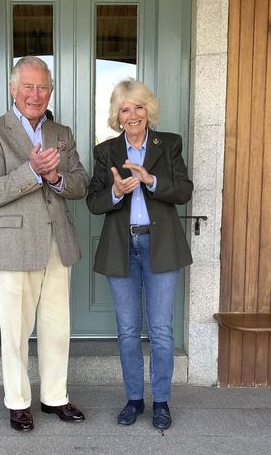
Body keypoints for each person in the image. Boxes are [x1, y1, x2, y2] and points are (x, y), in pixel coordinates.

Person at [0, 56, 89, 432]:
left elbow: (80, 184)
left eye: (42, 87)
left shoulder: (62, 133)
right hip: (13, 245)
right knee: (15, 329)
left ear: (51, 91)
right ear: (13, 88)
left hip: (58, 241)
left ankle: (55, 397)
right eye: (28, 86)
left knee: (57, 326)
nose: (35, 94)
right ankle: (18, 402)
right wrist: (32, 171)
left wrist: (56, 175)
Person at [86, 79, 193, 430]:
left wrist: (151, 181)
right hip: (123, 248)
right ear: (118, 115)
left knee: (161, 331)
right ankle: (134, 399)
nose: (132, 115)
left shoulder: (170, 144)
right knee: (128, 331)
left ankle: (161, 401)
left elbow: (184, 191)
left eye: (138, 107)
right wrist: (115, 192)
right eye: (125, 109)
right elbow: (93, 202)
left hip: (160, 246)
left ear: (149, 110)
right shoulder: (106, 152)